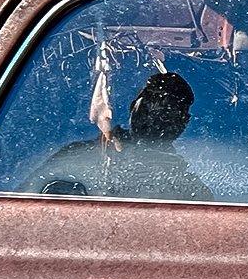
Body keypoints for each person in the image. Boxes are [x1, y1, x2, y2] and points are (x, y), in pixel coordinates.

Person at [25, 71, 214, 202]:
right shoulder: (77, 159)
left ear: (184, 122)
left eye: (168, 109)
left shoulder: (191, 190)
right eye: (151, 102)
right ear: (133, 108)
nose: (158, 113)